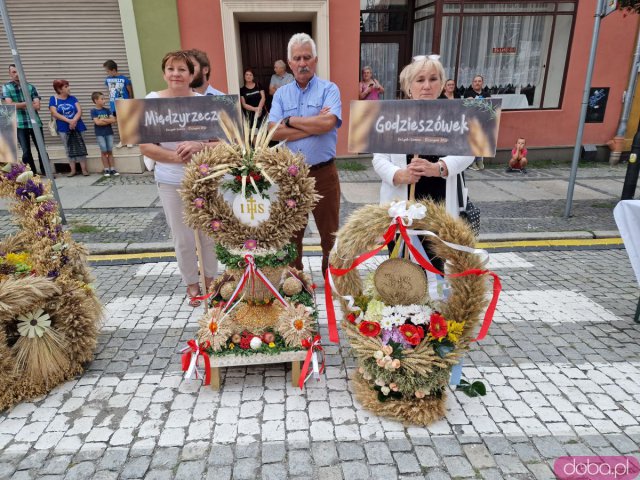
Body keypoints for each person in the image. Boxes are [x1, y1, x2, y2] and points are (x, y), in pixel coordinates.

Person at [372, 55, 474, 268]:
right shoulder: (392, 117)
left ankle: (432, 301)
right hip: (401, 206)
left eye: (433, 79)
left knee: (434, 266)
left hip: (438, 204)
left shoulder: (455, 116)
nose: (427, 86)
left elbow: (468, 152)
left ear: (441, 83)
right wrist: (398, 174)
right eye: (419, 80)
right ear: (408, 86)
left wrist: (439, 167)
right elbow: (379, 158)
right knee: (399, 269)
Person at [138, 51, 218, 307]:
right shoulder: (152, 101)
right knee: (182, 237)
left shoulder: (205, 103)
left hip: (204, 179)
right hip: (170, 181)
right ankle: (192, 284)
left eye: (182, 69)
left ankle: (211, 281)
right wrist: (177, 156)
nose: (176, 74)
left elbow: (220, 144)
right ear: (164, 73)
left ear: (191, 74)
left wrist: (198, 147)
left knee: (208, 234)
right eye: (171, 69)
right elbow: (146, 147)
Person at [269, 33, 342, 274]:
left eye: (307, 57)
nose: (302, 63)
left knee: (330, 233)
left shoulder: (329, 89)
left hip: (324, 174)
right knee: (291, 235)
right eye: (297, 58)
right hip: (291, 176)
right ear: (289, 63)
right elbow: (273, 132)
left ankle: (331, 281)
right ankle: (294, 282)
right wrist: (313, 124)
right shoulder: (281, 94)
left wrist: (290, 122)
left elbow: (328, 124)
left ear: (315, 60)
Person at [3, 64, 49, 175]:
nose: (16, 74)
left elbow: (37, 106)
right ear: (10, 74)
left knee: (41, 148)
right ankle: (31, 174)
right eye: (13, 72)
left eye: (18, 71)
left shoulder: (31, 87)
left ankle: (47, 172)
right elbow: (10, 105)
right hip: (19, 123)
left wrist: (20, 104)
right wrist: (29, 103)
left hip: (35, 122)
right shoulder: (6, 87)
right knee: (26, 151)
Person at [49, 79, 89, 177]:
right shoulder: (53, 99)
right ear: (59, 89)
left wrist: (74, 120)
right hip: (63, 127)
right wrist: (69, 121)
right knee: (68, 148)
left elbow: (79, 111)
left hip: (78, 126)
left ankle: (84, 169)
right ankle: (73, 170)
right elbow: (54, 113)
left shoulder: (73, 98)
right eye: (66, 87)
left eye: (68, 86)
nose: (69, 88)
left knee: (81, 146)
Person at [103, 59, 133, 148]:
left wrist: (130, 101)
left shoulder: (124, 79)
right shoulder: (107, 80)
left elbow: (129, 91)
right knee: (119, 123)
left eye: (108, 71)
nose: (107, 73)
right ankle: (123, 140)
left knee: (127, 121)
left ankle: (130, 140)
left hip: (124, 103)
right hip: (114, 104)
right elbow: (109, 91)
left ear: (113, 70)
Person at [463, 75, 490, 171]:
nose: (477, 83)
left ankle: (479, 159)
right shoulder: (468, 93)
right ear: (472, 83)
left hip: (483, 120)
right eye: (475, 81)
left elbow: (489, 106)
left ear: (482, 83)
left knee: (481, 140)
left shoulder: (486, 94)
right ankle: (472, 162)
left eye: (479, 81)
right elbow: (467, 106)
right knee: (473, 141)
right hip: (472, 121)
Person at [90, 91, 118, 177]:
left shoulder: (107, 110)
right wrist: (106, 121)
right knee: (104, 151)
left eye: (104, 98)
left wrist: (103, 120)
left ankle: (112, 168)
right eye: (102, 99)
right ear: (96, 100)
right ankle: (106, 169)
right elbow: (97, 123)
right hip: (100, 134)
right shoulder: (93, 111)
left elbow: (114, 120)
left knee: (110, 151)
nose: (104, 100)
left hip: (109, 133)